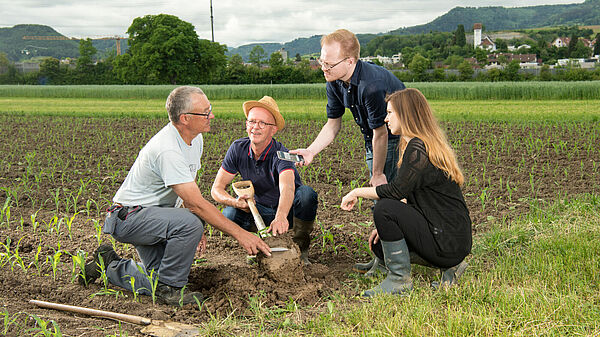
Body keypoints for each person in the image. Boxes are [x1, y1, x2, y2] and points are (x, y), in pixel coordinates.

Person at [79, 86, 271, 306]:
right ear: (185, 118)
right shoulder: (167, 149)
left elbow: (186, 194)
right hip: (129, 218)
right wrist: (240, 234)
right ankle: (171, 289)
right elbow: (195, 204)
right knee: (188, 231)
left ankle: (108, 266)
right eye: (206, 112)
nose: (212, 115)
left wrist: (190, 221)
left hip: (154, 216)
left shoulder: (194, 139)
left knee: (158, 276)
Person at [290, 28, 406, 273]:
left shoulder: (370, 85)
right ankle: (383, 259)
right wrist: (311, 151)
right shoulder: (334, 81)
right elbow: (333, 124)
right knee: (381, 198)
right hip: (374, 139)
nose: (324, 67)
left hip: (397, 137)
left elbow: (382, 133)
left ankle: (389, 263)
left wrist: (377, 172)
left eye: (329, 63)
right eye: (322, 61)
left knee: (386, 198)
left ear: (350, 61)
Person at [340, 88, 472, 297]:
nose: (385, 118)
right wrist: (387, 229)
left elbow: (395, 191)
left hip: (448, 240)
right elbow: (408, 197)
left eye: (391, 113)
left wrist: (356, 192)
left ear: (406, 114)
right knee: (380, 245)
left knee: (384, 208)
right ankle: (451, 267)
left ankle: (399, 281)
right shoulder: (419, 144)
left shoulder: (418, 148)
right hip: (450, 236)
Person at [211, 96, 318, 264]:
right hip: (259, 211)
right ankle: (256, 247)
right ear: (246, 124)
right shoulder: (237, 148)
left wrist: (281, 215)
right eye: (252, 121)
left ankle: (300, 249)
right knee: (229, 214)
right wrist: (235, 202)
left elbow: (287, 188)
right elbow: (216, 189)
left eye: (262, 123)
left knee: (306, 194)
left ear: (273, 129)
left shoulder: (282, 154)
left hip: (289, 212)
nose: (256, 127)